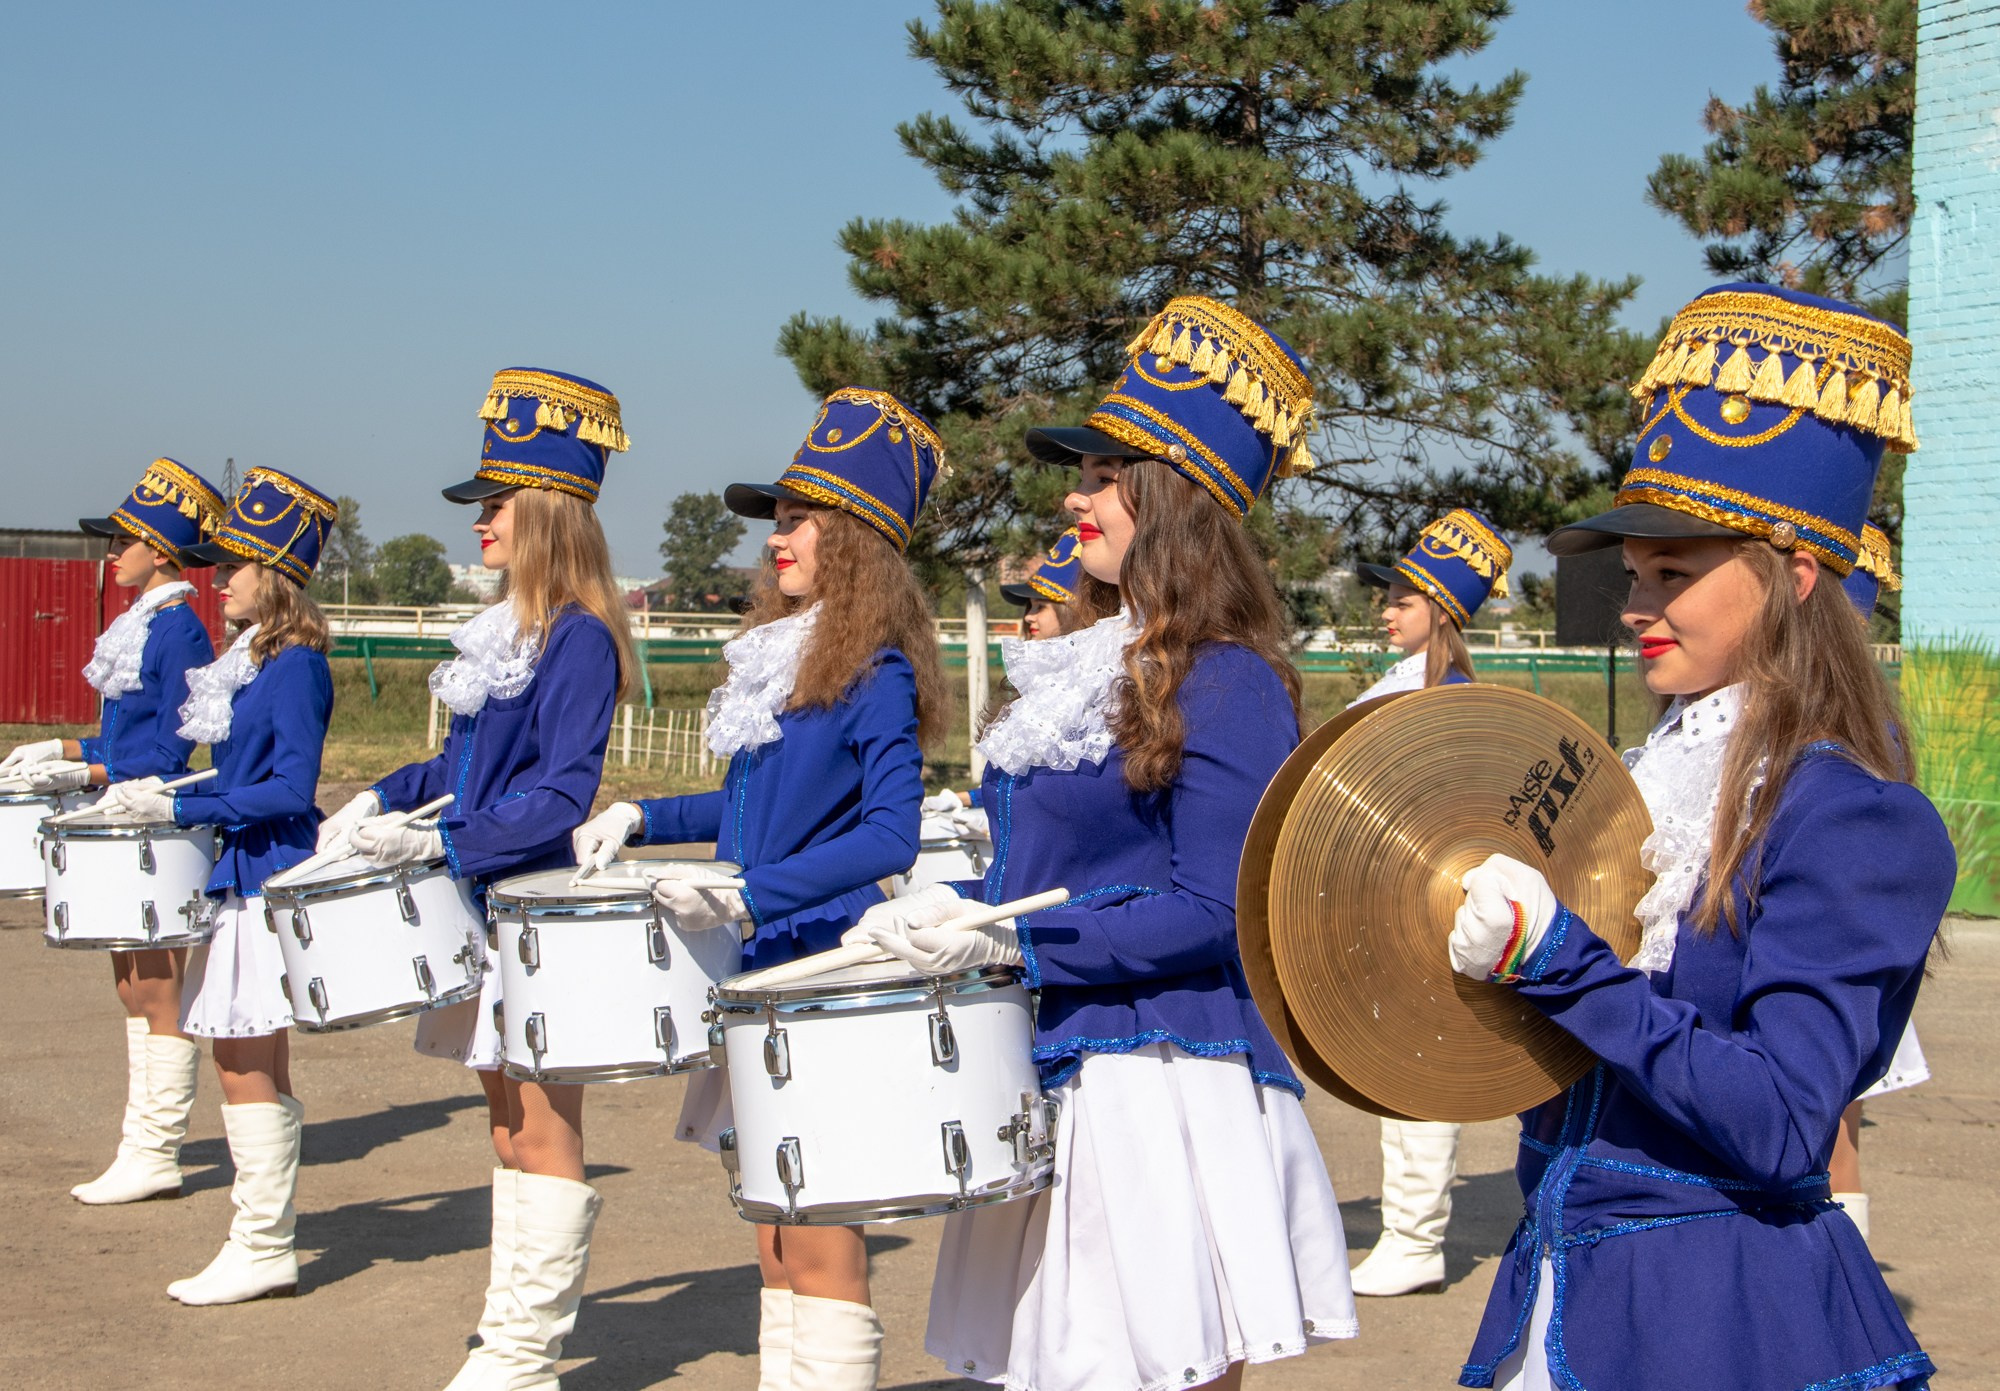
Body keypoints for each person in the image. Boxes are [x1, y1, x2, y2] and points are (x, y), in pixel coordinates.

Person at [1448, 283, 1952, 1390]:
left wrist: (1558, 963)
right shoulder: (1637, 781)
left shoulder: (1852, 813)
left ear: (1793, 579)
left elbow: (1779, 1123)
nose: (1635, 602)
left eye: (1673, 572)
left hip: (1720, 1318)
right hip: (1559, 1289)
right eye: (1633, 573)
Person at [854, 296, 1358, 1391]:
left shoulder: (1225, 676)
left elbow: (1217, 906)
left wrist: (1012, 946)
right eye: (1076, 475)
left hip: (1160, 1075)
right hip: (1048, 1065)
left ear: (1171, 499)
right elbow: (1045, 870)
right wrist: (955, 901)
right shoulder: (1081, 666)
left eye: (1099, 475)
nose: (1071, 498)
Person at [572, 386, 946, 1391]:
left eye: (798, 516)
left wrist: (750, 896)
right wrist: (646, 815)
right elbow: (747, 809)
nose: (776, 535)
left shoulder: (876, 667)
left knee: (817, 1218)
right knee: (771, 1209)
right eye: (775, 518)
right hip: (758, 959)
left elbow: (889, 832)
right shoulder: (779, 658)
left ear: (855, 539)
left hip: (817, 958)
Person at [317, 368, 632, 1389]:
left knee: (540, 1123)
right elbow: (461, 766)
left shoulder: (579, 636)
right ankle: (508, 1335)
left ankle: (527, 1354)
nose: (480, 520)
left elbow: (557, 796)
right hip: (487, 907)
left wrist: (445, 844)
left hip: (536, 914)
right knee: (504, 1119)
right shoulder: (506, 633)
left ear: (542, 512)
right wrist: (379, 795)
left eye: (495, 503)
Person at [106, 467, 337, 1305]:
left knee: (244, 1059)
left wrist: (186, 797)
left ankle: (262, 1241)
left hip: (267, 868)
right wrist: (180, 791)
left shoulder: (297, 666)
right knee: (248, 1058)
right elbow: (242, 771)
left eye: (235, 565)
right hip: (241, 868)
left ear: (271, 576)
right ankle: (261, 1237)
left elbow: (289, 788)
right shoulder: (258, 660)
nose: (220, 579)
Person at [0, 460, 224, 1205]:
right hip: (124, 811)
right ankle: (142, 1144)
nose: (108, 553)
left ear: (159, 550)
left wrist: (85, 774)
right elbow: (118, 736)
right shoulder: (144, 624)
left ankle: (155, 1150)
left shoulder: (180, 633)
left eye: (120, 541)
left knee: (156, 987)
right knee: (132, 982)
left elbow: (167, 751)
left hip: (150, 820)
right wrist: (66, 749)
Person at [1345, 509, 1512, 1296]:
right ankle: (1408, 1234)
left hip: (1426, 901)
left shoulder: (1442, 694)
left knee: (1417, 1069)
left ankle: (1417, 1238)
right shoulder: (1406, 682)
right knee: (1397, 1071)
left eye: (1402, 600)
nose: (1386, 610)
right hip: (1389, 893)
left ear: (1440, 610)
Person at [1831, 521, 1923, 1240]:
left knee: (1832, 1139)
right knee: (1836, 1135)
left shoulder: (1854, 719)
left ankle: (1838, 1288)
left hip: (1834, 945)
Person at [921, 527, 1106, 829]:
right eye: (1029, 606)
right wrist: (962, 800)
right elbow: (1022, 775)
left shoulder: (1094, 694)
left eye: (1041, 606)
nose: (1029, 617)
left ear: (1076, 611)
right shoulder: (1037, 688)